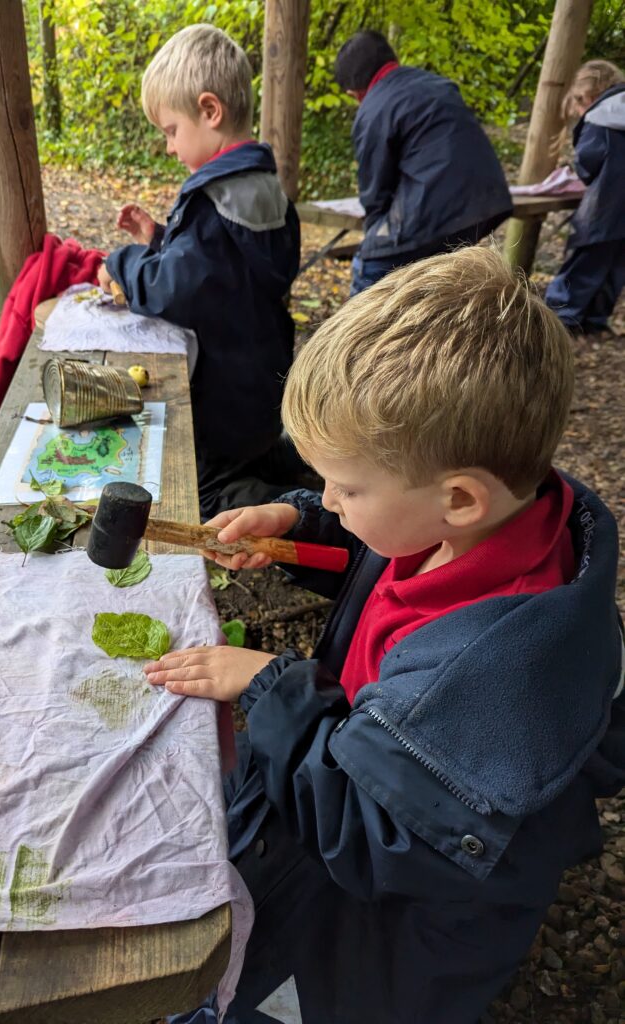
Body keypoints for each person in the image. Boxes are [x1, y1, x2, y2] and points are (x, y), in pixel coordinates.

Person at [143, 246, 624, 1024]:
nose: (330, 498)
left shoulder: (492, 680)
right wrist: (294, 524)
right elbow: (379, 546)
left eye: (344, 486)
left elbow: (372, 836)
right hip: (373, 767)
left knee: (278, 996)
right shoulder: (495, 518)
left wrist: (273, 688)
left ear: (459, 498)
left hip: (393, 931)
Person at [98, 24, 305, 519]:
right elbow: (227, 269)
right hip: (262, 373)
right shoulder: (262, 185)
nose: (169, 146)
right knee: (253, 443)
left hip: (224, 388)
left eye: (171, 130)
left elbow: (176, 287)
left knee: (204, 487)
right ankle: (281, 462)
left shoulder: (213, 198)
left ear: (210, 111)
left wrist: (122, 263)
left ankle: (300, 512)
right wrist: (158, 238)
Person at [333, 30, 512, 295]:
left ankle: (354, 336)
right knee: (433, 281)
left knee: (369, 266)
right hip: (487, 204)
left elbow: (375, 191)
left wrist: (376, 237)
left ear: (356, 91)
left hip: (432, 209)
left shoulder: (374, 107)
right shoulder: (438, 85)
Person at [546, 60, 625, 335]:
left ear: (586, 96)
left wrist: (573, 170)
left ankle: (559, 320)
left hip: (605, 208)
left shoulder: (599, 117)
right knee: (615, 267)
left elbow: (589, 163)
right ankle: (595, 319)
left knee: (583, 264)